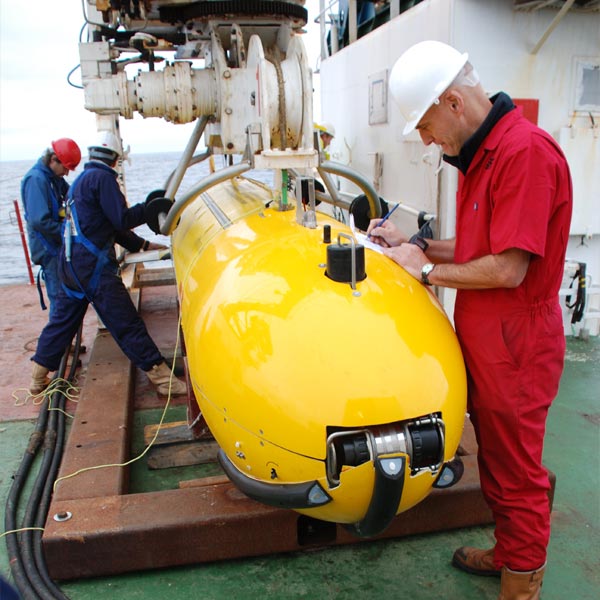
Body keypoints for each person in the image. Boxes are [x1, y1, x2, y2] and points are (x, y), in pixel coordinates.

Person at [369, 41, 572, 599]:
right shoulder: (482, 156)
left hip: (518, 345)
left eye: (429, 127)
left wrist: (424, 275)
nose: (430, 141)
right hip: (487, 337)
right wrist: (418, 245)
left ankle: (522, 582)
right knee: (498, 466)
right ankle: (510, 553)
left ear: (454, 102)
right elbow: (481, 246)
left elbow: (507, 269)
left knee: (517, 474)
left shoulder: (525, 154)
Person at [29, 131, 187, 398]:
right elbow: (121, 219)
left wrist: (143, 245)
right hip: (93, 270)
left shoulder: (80, 182)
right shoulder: (103, 179)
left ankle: (37, 379)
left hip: (70, 266)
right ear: (116, 158)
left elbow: (108, 225)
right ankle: (163, 380)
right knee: (126, 323)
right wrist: (149, 207)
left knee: (61, 324)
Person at [21, 138, 82, 318]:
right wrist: (67, 231)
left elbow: (72, 194)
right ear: (53, 159)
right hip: (48, 249)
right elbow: (39, 221)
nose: (66, 173)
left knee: (66, 294)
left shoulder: (54, 178)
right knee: (59, 297)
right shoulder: (36, 180)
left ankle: (65, 342)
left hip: (57, 245)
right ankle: (59, 345)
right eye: (65, 168)